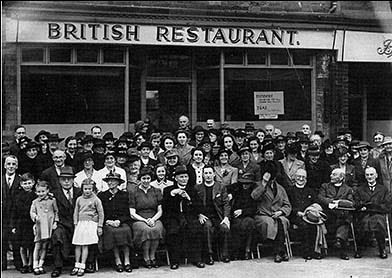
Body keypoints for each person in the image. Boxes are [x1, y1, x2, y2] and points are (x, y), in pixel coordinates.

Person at [162, 165, 205, 269]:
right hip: (173, 216)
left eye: (186, 177)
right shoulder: (168, 190)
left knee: (196, 229)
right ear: (176, 178)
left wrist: (188, 198)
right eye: (181, 177)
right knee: (173, 231)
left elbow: (198, 207)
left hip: (188, 215)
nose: (184, 179)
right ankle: (175, 261)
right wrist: (173, 195)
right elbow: (166, 207)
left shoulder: (192, 189)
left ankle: (197, 259)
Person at [251, 161, 292, 263]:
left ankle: (278, 252)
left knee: (282, 221)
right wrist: (264, 183)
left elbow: (288, 205)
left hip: (278, 215)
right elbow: (254, 197)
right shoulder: (258, 185)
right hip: (262, 215)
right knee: (271, 223)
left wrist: (281, 212)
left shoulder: (281, 188)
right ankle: (280, 252)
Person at [129, 167, 165, 269]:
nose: (146, 181)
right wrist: (145, 220)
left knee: (157, 228)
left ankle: (152, 255)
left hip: (154, 217)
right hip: (139, 219)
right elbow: (132, 213)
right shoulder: (133, 192)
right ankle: (146, 257)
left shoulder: (156, 191)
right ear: (140, 179)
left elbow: (160, 210)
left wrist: (153, 219)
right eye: (143, 178)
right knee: (146, 229)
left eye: (148, 178)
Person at [98, 172, 133, 273]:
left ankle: (127, 260)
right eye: (109, 181)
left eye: (113, 180)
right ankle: (117, 260)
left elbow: (127, 212)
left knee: (126, 230)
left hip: (122, 221)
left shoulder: (124, 195)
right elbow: (100, 212)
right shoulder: (102, 195)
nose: (111, 182)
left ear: (118, 183)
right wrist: (107, 221)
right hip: (108, 223)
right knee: (112, 232)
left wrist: (119, 221)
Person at [353, 167, 392, 259]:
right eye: (367, 175)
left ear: (376, 176)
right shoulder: (360, 189)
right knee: (363, 223)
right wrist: (361, 206)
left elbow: (387, 205)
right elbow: (357, 204)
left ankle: (382, 249)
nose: (370, 177)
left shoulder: (383, 189)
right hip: (364, 214)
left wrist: (373, 206)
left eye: (371, 174)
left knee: (378, 222)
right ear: (365, 177)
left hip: (378, 214)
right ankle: (360, 249)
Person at [195, 167, 231, 264]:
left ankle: (225, 255)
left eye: (210, 173)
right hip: (205, 216)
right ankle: (209, 255)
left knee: (224, 227)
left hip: (218, 215)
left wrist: (226, 217)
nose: (208, 175)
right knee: (207, 227)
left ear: (214, 174)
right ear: (202, 175)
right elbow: (195, 204)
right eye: (205, 173)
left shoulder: (221, 186)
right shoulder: (198, 188)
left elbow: (226, 203)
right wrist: (199, 214)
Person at [50, 167, 82, 278]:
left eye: (69, 179)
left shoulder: (80, 191)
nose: (67, 182)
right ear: (59, 181)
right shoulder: (54, 194)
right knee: (57, 234)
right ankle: (58, 266)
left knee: (88, 231)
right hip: (62, 223)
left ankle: (87, 263)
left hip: (78, 222)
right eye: (64, 179)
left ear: (73, 180)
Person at [318, 168, 354, 260]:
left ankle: (341, 245)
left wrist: (338, 203)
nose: (331, 176)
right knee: (340, 221)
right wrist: (332, 201)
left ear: (341, 177)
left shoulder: (348, 189)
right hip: (329, 214)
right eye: (331, 174)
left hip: (342, 214)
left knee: (345, 220)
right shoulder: (325, 186)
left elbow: (350, 203)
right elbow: (320, 198)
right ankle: (338, 241)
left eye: (334, 174)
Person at [286, 169, 323, 260]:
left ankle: (314, 251)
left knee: (315, 225)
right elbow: (288, 205)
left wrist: (312, 211)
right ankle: (306, 251)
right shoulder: (290, 190)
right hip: (295, 215)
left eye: (303, 177)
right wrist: (297, 212)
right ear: (295, 177)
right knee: (305, 225)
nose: (301, 179)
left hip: (309, 215)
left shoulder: (310, 190)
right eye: (299, 176)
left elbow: (315, 203)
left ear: (306, 179)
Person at [70, 179, 104, 276]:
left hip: (90, 224)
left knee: (85, 244)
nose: (87, 191)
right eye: (85, 189)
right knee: (78, 244)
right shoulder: (79, 199)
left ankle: (82, 265)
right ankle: (76, 264)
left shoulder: (96, 200)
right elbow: (76, 211)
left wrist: (99, 226)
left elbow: (101, 213)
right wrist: (75, 223)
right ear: (82, 189)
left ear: (93, 189)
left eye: (90, 189)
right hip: (80, 223)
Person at [30, 180, 59, 275]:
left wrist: (55, 222)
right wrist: (35, 217)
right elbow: (32, 212)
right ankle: (35, 265)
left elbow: (56, 211)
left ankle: (41, 264)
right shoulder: (35, 202)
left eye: (43, 191)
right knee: (37, 245)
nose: (41, 193)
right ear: (35, 192)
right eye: (38, 192)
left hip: (49, 225)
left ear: (47, 191)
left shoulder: (52, 200)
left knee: (45, 246)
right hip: (40, 226)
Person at [10, 172, 37, 273]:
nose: (27, 185)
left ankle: (30, 264)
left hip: (30, 224)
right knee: (22, 246)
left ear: (33, 183)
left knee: (30, 245)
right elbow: (13, 211)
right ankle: (24, 264)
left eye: (29, 183)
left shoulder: (35, 195)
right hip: (20, 223)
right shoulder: (17, 196)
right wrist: (13, 226)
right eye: (25, 183)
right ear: (21, 184)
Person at [227, 171, 257, 260]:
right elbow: (225, 189)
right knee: (236, 225)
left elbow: (254, 208)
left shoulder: (254, 193)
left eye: (247, 184)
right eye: (243, 183)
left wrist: (243, 211)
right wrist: (230, 194)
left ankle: (247, 250)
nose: (245, 186)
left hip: (247, 215)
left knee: (249, 223)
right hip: (236, 216)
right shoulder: (237, 190)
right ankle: (236, 251)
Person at [2, 155, 23, 270]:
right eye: (8, 164)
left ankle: (18, 262)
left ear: (17, 166)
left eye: (13, 164)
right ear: (5, 165)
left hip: (15, 215)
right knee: (2, 239)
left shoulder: (20, 181)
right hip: (3, 215)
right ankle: (2, 263)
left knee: (16, 239)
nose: (11, 166)